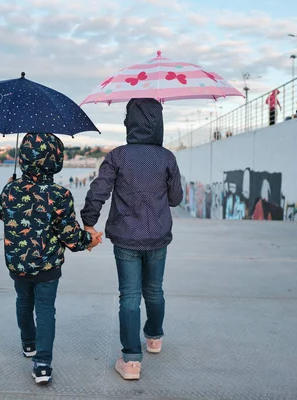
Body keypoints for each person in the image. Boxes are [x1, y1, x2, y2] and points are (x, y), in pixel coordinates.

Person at [81, 98, 183, 381]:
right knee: (154, 290)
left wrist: (89, 222)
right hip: (159, 236)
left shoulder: (118, 156)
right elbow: (176, 199)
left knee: (129, 296)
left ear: (129, 122)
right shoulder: (167, 158)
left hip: (125, 238)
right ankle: (153, 338)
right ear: (158, 122)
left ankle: (131, 361)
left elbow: (98, 191)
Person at [0, 133, 102, 385]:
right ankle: (42, 364)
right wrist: (90, 241)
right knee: (44, 309)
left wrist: (10, 187)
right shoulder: (59, 194)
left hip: (17, 262)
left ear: (23, 159)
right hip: (47, 265)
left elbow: (1, 213)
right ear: (56, 160)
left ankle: (28, 344)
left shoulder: (11, 189)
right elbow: (71, 237)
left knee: (23, 301)